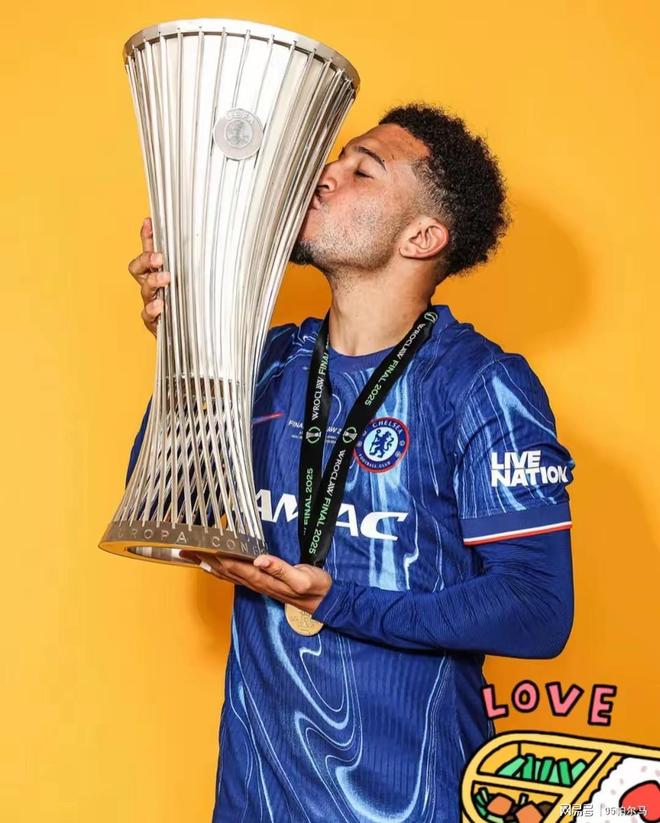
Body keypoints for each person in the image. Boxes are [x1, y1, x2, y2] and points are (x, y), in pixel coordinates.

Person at [126, 103, 575, 822]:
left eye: (363, 170)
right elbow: (167, 510)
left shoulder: (480, 386)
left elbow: (537, 610)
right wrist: (189, 344)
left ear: (422, 237)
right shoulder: (266, 361)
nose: (325, 175)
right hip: (254, 801)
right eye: (334, 160)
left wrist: (335, 602)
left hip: (414, 803)